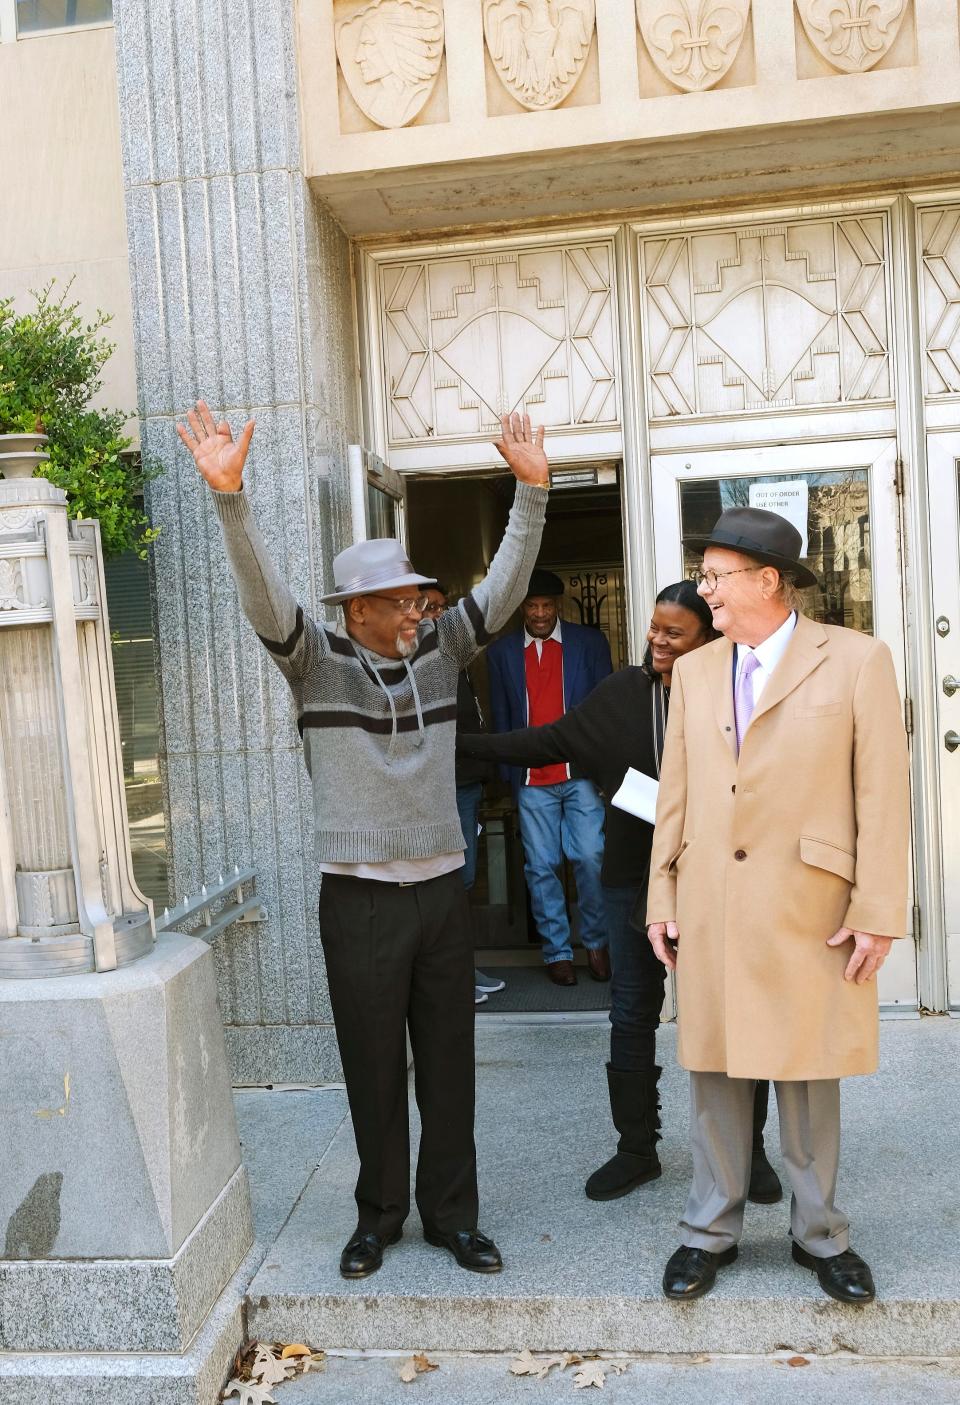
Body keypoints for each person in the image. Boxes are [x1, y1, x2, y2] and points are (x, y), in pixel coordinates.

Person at [176, 401, 550, 1282]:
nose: (422, 608)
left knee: (449, 1065)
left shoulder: (442, 651)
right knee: (373, 1066)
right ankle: (378, 1216)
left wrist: (532, 494)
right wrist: (231, 498)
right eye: (402, 600)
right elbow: (265, 599)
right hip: (358, 900)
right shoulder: (316, 664)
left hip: (439, 895)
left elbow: (498, 588)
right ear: (358, 611)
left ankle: (453, 1215)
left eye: (421, 596)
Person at [647, 507, 909, 1305]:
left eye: (716, 576)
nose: (705, 590)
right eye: (704, 575)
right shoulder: (694, 669)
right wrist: (662, 890)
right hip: (712, 896)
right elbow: (677, 794)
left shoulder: (858, 659)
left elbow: (882, 795)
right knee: (714, 1065)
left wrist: (879, 908)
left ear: (769, 581)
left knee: (807, 1065)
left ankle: (821, 1232)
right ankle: (708, 1230)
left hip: (812, 900)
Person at [458, 582, 781, 1205]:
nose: (657, 641)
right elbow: (547, 741)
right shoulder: (623, 694)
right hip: (631, 881)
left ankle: (753, 1153)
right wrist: (455, 743)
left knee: (734, 1017)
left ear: (709, 637)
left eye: (674, 633)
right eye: (654, 628)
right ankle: (637, 1150)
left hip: (719, 881)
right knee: (631, 1013)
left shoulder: (740, 689)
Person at [486, 569, 613, 986]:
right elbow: (502, 715)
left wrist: (603, 766)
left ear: (557, 606)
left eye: (546, 606)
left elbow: (603, 709)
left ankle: (596, 942)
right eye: (532, 606)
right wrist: (508, 775)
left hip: (579, 773)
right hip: (531, 778)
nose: (540, 614)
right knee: (541, 866)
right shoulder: (501, 653)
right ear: (522, 607)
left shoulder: (589, 644)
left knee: (590, 858)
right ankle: (556, 951)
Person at [422, 583, 506, 1007]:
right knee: (450, 881)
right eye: (428, 608)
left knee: (466, 877)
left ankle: (464, 969)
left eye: (441, 608)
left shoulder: (454, 657)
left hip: (466, 782)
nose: (436, 616)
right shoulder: (419, 665)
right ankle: (454, 978)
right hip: (441, 786)